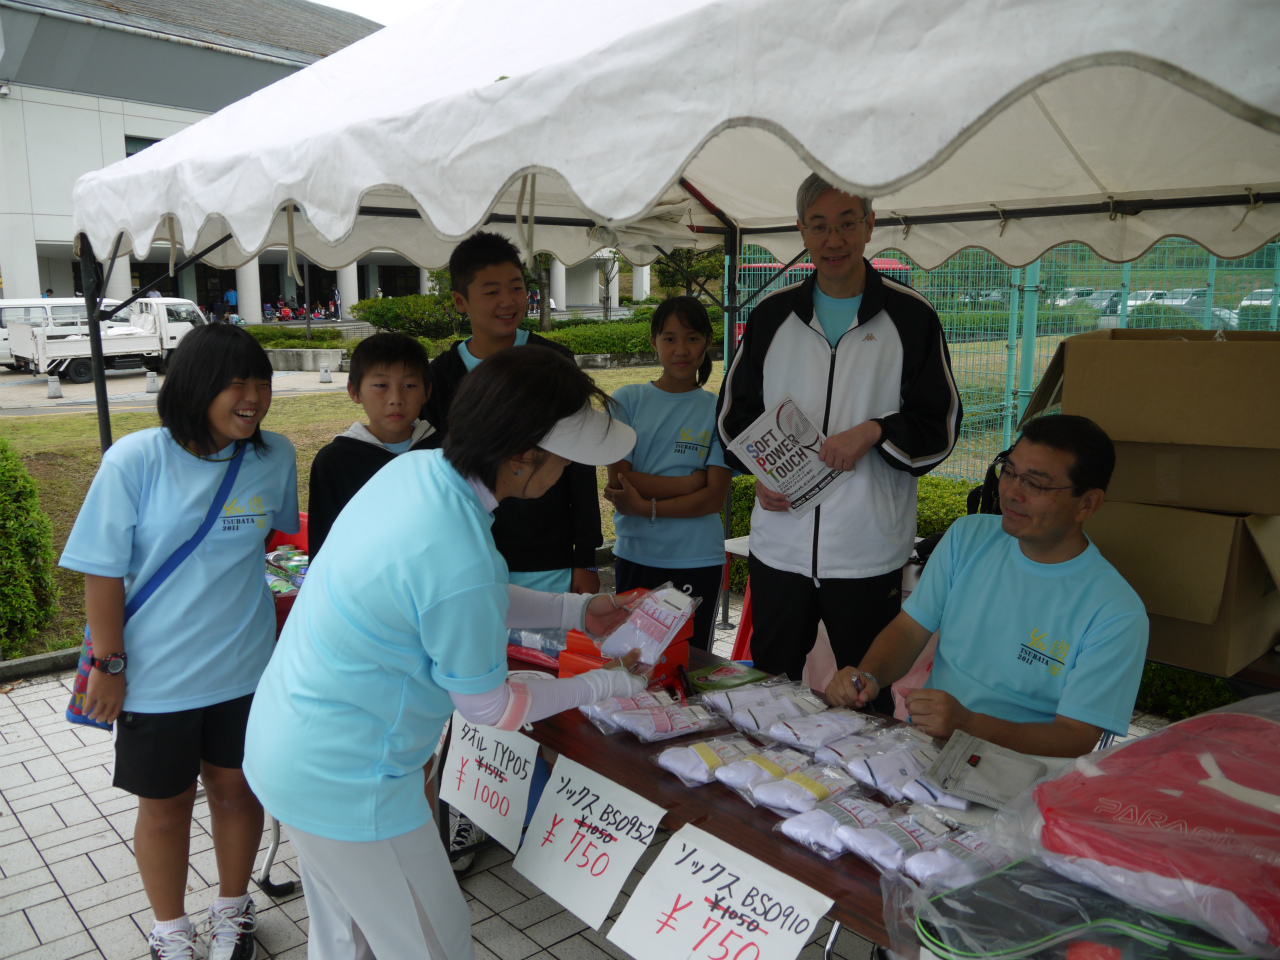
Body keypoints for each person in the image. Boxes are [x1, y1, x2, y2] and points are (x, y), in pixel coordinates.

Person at [243, 347, 642, 960]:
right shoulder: (458, 546)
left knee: (347, 939)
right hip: (349, 776)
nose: (566, 471)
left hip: (292, 745)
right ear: (522, 455)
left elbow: (460, 595)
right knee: (433, 943)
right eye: (565, 458)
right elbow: (489, 706)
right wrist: (609, 684)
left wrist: (577, 611)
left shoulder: (418, 472)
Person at [59, 324, 299, 959]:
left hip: (245, 666)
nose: (254, 397)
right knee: (165, 807)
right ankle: (169, 930)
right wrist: (109, 663)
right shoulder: (136, 459)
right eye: (236, 383)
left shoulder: (275, 456)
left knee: (237, 791)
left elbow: (267, 543)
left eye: (262, 381)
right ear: (195, 387)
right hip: (155, 675)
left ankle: (233, 911)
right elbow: (101, 569)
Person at [716, 173, 962, 707]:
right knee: (769, 687)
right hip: (780, 548)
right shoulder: (772, 316)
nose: (834, 240)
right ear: (801, 230)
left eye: (847, 224)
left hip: (867, 552)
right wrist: (760, 472)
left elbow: (939, 429)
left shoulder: (911, 317)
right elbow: (733, 416)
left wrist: (876, 431)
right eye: (820, 226)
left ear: (870, 226)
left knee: (865, 695)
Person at [827, 415, 1148, 758]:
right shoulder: (968, 537)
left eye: (1035, 484)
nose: (1011, 492)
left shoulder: (1117, 613)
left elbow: (1076, 736)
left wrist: (968, 725)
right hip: (924, 748)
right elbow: (909, 629)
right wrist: (867, 678)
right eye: (1008, 472)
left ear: (1088, 503)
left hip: (1021, 772)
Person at [426, 232, 603, 595]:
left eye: (517, 288)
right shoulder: (440, 376)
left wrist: (585, 557)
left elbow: (581, 462)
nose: (508, 301)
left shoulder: (554, 362)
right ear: (460, 301)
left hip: (548, 560)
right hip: (468, 560)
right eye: (491, 291)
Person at [603, 297, 732, 649]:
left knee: (689, 661)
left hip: (697, 559)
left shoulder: (719, 411)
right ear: (653, 342)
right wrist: (689, 483)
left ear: (707, 342)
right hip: (637, 554)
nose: (681, 350)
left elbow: (712, 498)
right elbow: (620, 481)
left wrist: (645, 506)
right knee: (633, 657)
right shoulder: (626, 400)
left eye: (692, 338)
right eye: (669, 338)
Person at [309, 333, 439, 556]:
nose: (396, 398)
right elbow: (323, 542)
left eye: (409, 385)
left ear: (426, 392)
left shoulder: (445, 453)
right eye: (381, 385)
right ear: (354, 391)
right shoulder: (334, 461)